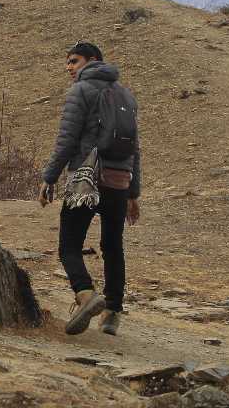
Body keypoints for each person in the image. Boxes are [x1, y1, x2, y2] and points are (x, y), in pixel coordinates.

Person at [39, 42, 141, 336]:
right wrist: (133, 193)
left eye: (74, 61)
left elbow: (66, 140)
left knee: (69, 245)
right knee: (112, 247)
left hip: (86, 179)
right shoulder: (126, 95)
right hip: (119, 182)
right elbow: (135, 148)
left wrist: (49, 177)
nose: (69, 67)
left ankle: (85, 295)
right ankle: (111, 314)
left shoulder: (80, 91)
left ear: (92, 60)